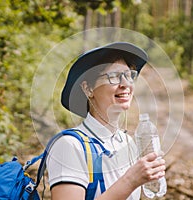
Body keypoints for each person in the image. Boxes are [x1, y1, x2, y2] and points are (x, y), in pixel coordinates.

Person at [46, 42, 166, 200]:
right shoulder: (69, 146)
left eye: (129, 75)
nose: (126, 84)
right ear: (88, 88)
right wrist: (130, 180)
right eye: (115, 76)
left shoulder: (127, 143)